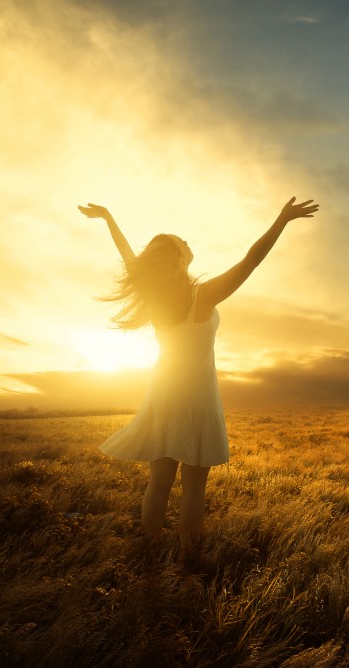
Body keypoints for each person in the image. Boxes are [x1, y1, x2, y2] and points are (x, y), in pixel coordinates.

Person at [78, 197, 319, 559]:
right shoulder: (203, 296)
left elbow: (130, 257)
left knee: (158, 483)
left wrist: (109, 219)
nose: (188, 243)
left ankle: (150, 554)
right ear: (178, 259)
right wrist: (282, 220)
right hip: (198, 400)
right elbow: (251, 260)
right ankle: (188, 559)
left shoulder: (155, 297)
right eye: (182, 242)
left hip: (163, 395)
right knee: (193, 489)